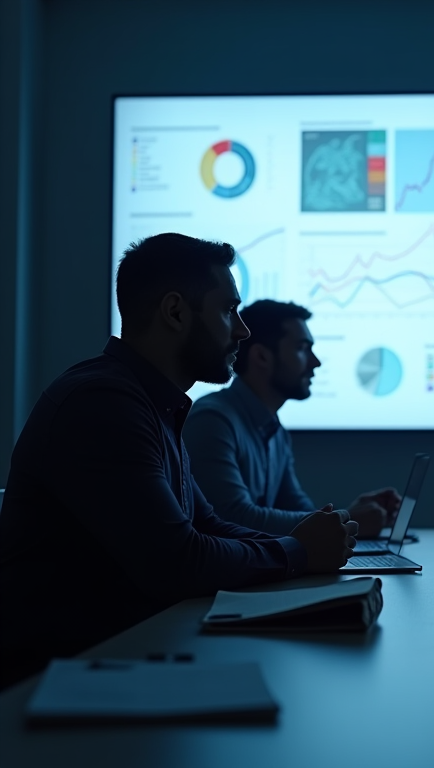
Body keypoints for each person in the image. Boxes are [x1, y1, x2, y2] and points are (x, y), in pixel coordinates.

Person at [0, 234, 358, 689]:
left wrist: (308, 542)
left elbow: (208, 525)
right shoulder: (103, 402)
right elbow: (179, 561)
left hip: (117, 658)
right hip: (54, 680)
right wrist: (298, 552)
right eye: (229, 310)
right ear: (175, 312)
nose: (242, 331)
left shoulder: (153, 403)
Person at [182, 300, 401, 538]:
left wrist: (347, 515)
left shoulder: (275, 431)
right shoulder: (213, 421)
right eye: (302, 348)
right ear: (262, 356)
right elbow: (233, 518)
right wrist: (348, 518)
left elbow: (300, 511)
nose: (315, 362)